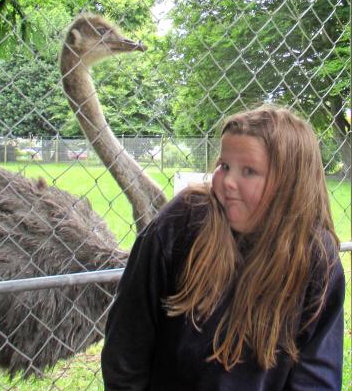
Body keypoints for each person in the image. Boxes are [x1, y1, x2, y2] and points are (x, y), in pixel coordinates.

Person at [101, 105, 345, 390]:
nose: (227, 181)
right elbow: (126, 348)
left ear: (290, 186)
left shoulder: (316, 259)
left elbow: (316, 378)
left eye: (249, 171)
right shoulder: (179, 225)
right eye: (224, 166)